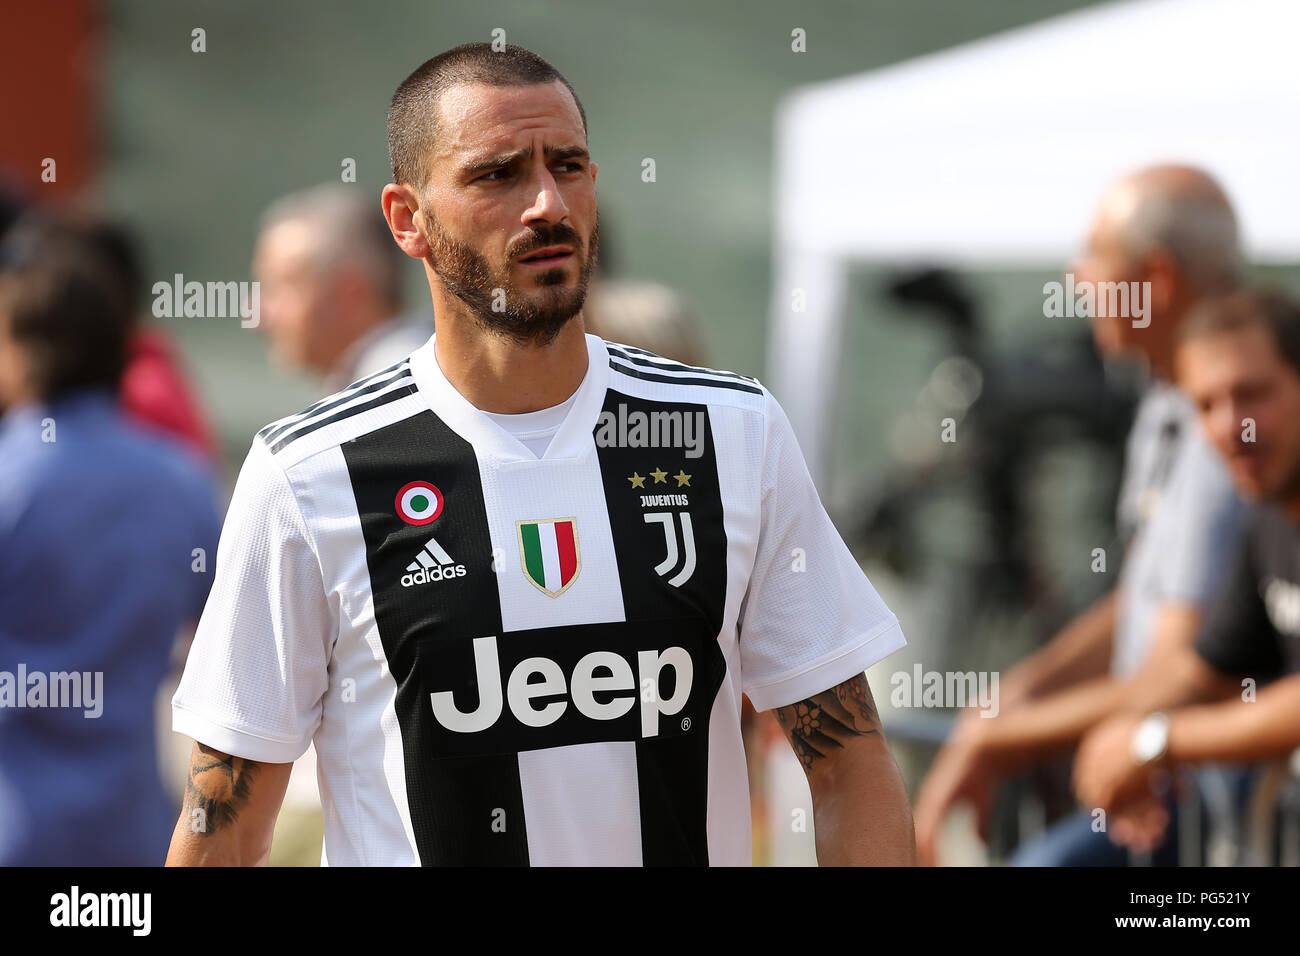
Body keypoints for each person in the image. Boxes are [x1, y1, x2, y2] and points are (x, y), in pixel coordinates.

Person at [165, 42, 914, 867]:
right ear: (408, 219)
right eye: (498, 175)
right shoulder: (309, 475)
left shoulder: (728, 432)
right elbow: (224, 829)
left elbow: (849, 762)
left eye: (569, 165)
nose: (548, 203)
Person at [913, 164, 1247, 866]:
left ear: (1153, 278)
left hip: (1211, 801)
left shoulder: (1227, 430)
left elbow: (1183, 666)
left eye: (1095, 254)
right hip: (1160, 778)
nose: (1077, 280)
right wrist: (1008, 705)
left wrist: (1000, 734)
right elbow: (1145, 605)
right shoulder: (1166, 405)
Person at [0, 221, 220, 864]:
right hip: (132, 825)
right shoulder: (179, 477)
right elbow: (216, 639)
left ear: (22, 347)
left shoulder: (14, 477)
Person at [1074, 290, 1300, 853]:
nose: (1232, 427)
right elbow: (1203, 674)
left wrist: (1155, 740)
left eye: (1253, 394)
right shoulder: (1266, 524)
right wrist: (1114, 743)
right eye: (1206, 405)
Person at [253, 183, 434, 394]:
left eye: (279, 289)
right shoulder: (402, 376)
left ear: (351, 294)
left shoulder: (392, 390)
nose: (261, 315)